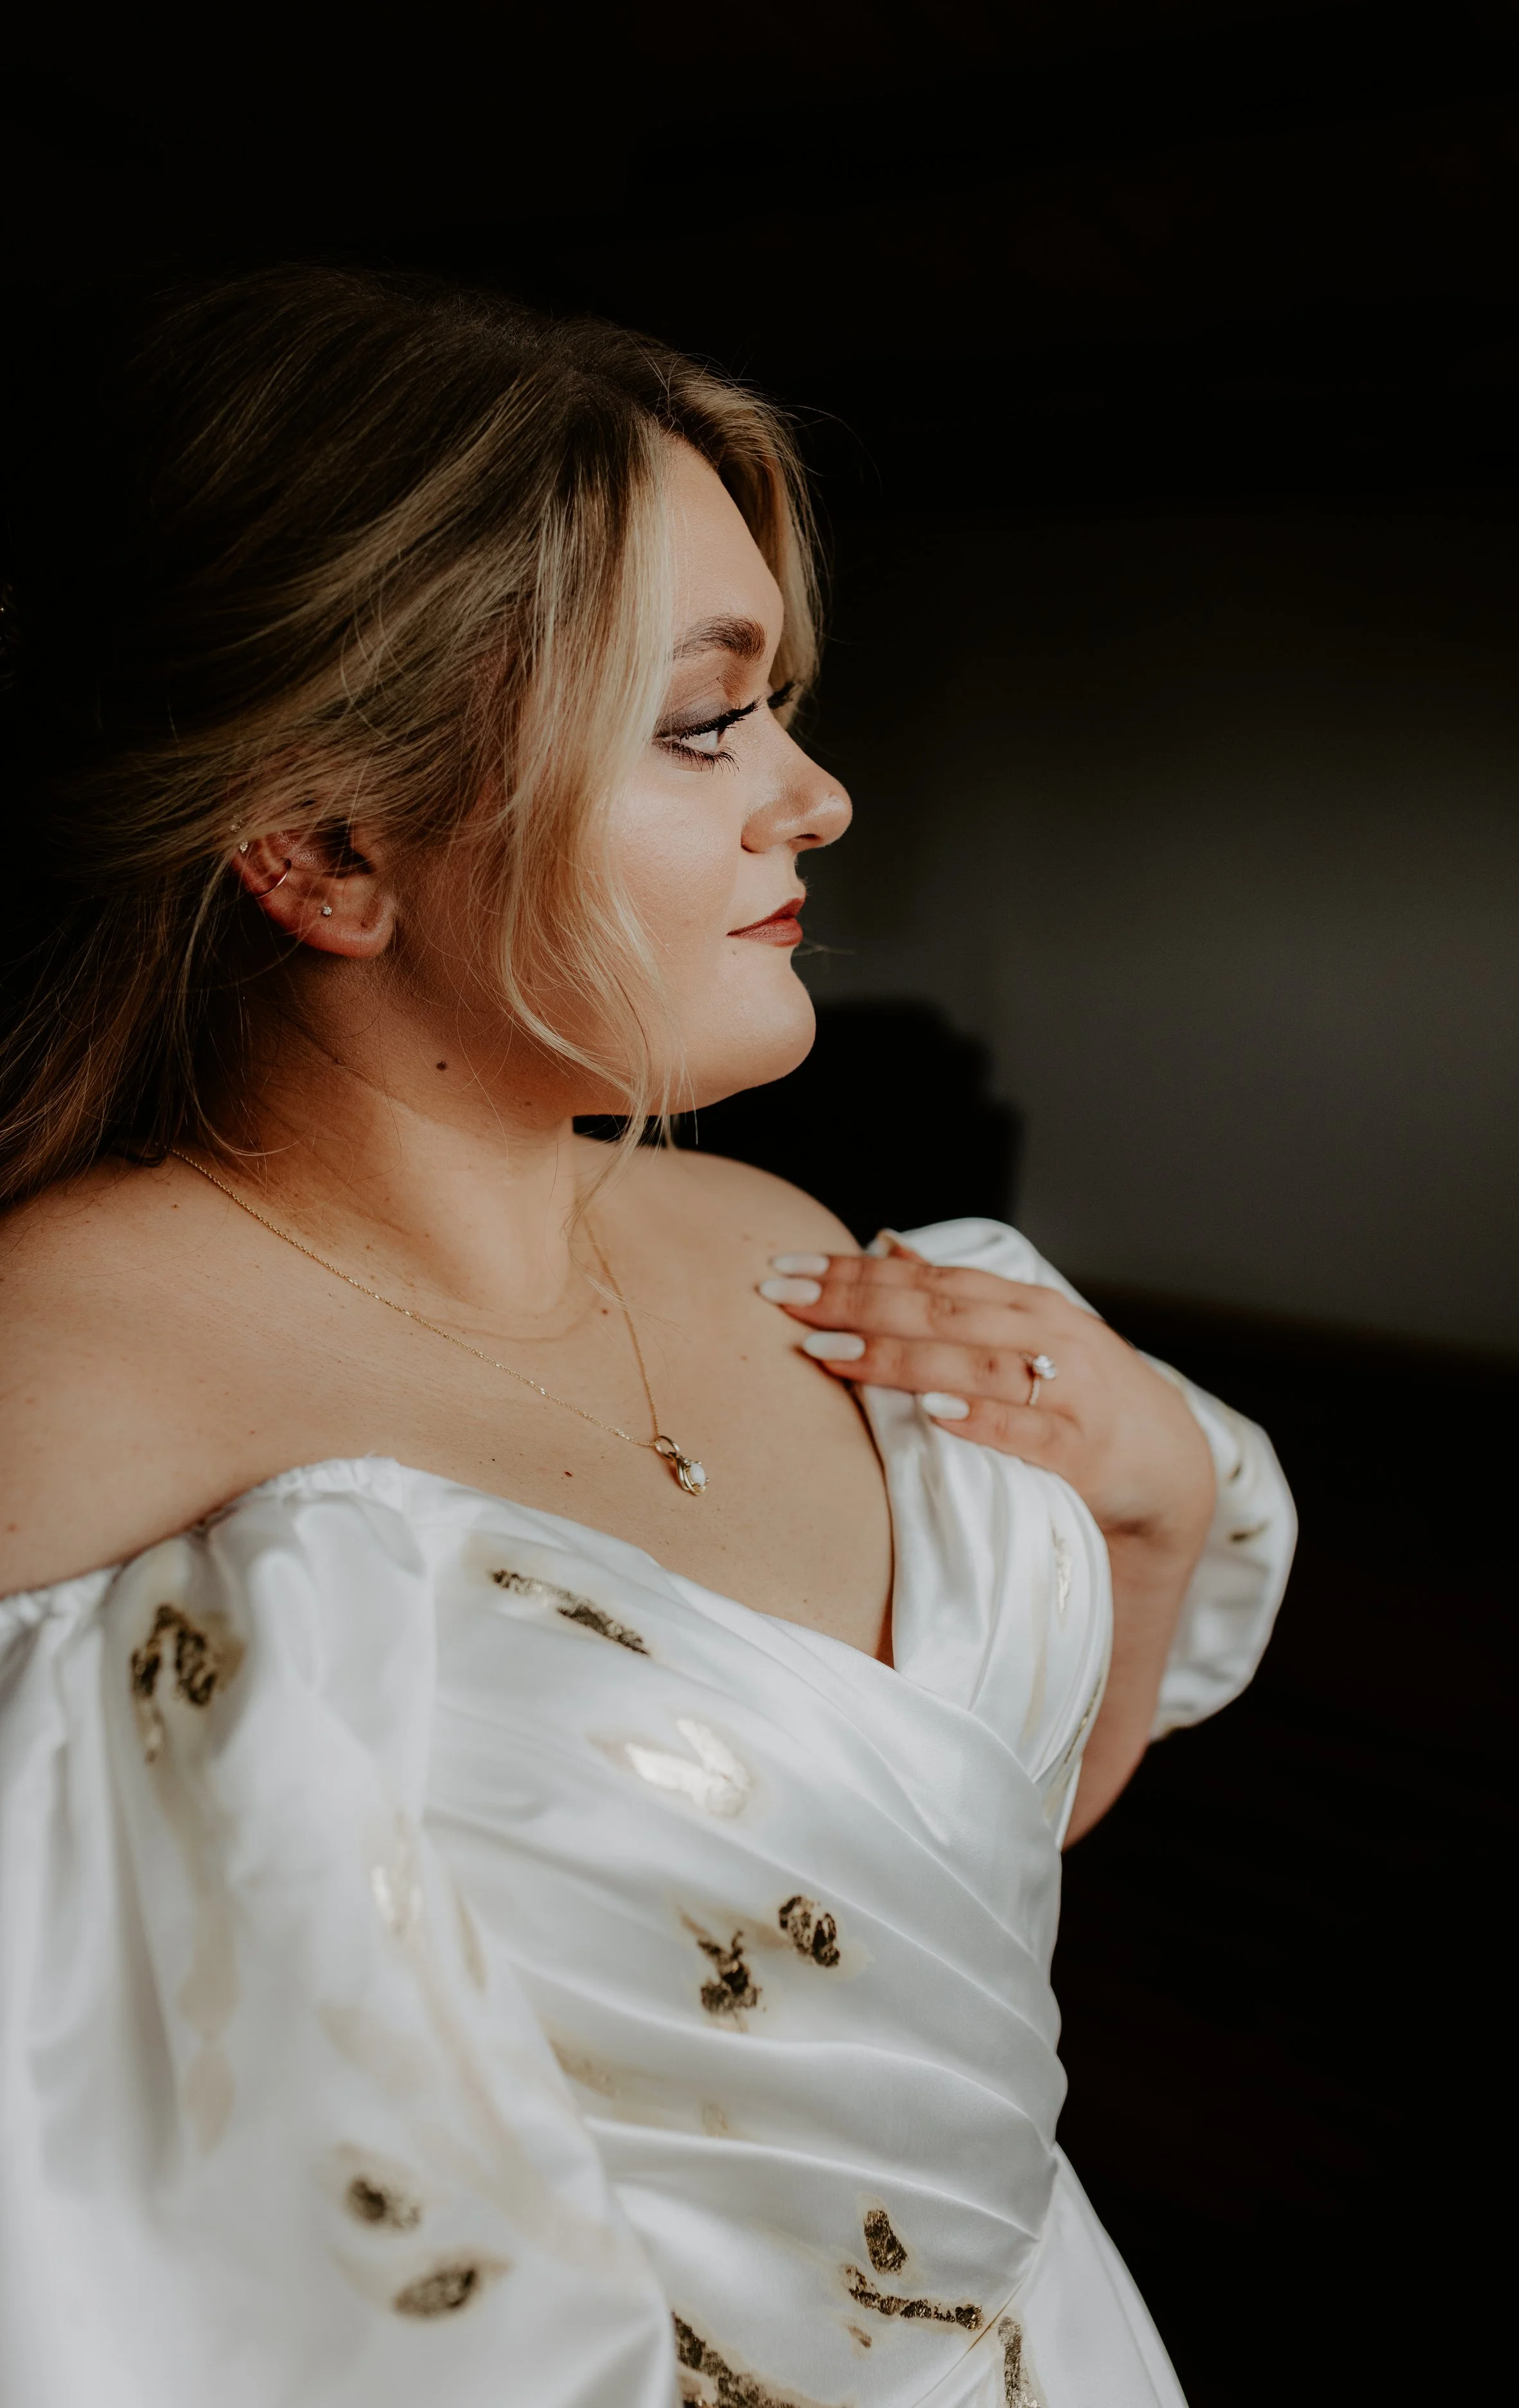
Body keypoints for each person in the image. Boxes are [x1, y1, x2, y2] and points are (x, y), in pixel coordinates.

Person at [0, 268, 1294, 2408]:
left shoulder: (778, 1239)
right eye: (704, 724)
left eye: (774, 706)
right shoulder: (67, 1390)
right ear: (327, 845)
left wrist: (1144, 1529)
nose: (819, 800)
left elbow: (871, 1941)